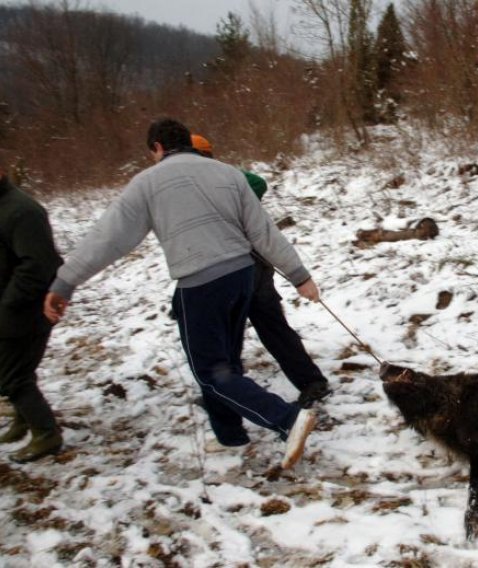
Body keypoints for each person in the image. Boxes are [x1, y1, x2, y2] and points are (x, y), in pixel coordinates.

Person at [44, 118, 317, 469]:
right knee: (225, 363)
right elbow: (264, 232)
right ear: (187, 141)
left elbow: (109, 237)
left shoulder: (147, 183)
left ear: (156, 148)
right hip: (243, 277)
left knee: (210, 372)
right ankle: (229, 435)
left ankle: (286, 418)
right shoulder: (227, 173)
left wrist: (65, 280)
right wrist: (299, 276)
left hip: (202, 285)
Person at [190, 134, 331, 408]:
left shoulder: (212, 179)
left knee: (233, 332)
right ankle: (310, 382)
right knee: (270, 327)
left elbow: (258, 183)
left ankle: (230, 391)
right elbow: (256, 184)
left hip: (235, 267)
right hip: (246, 265)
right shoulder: (220, 179)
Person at [0, 154, 64, 462]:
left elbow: (39, 265)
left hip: (23, 309)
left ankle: (45, 433)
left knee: (12, 375)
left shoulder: (23, 211)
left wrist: (9, 303)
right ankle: (24, 419)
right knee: (16, 369)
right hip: (12, 306)